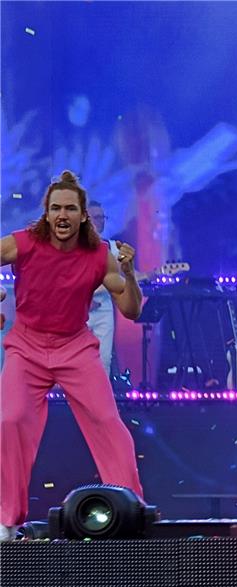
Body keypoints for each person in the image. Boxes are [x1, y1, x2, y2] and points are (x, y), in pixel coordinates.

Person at [0, 171, 145, 539]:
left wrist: (129, 272)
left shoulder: (99, 256)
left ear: (83, 215)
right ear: (46, 214)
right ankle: (7, 520)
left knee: (107, 422)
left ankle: (131, 510)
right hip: (27, 346)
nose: (62, 215)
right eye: (55, 208)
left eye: (69, 209)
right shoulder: (23, 243)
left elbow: (131, 310)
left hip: (74, 347)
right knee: (10, 419)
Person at [86, 201, 118, 375]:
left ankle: (100, 400)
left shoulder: (112, 247)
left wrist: (155, 273)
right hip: (77, 308)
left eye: (102, 217)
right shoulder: (73, 245)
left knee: (104, 359)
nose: (101, 221)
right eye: (96, 217)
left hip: (103, 309)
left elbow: (128, 275)